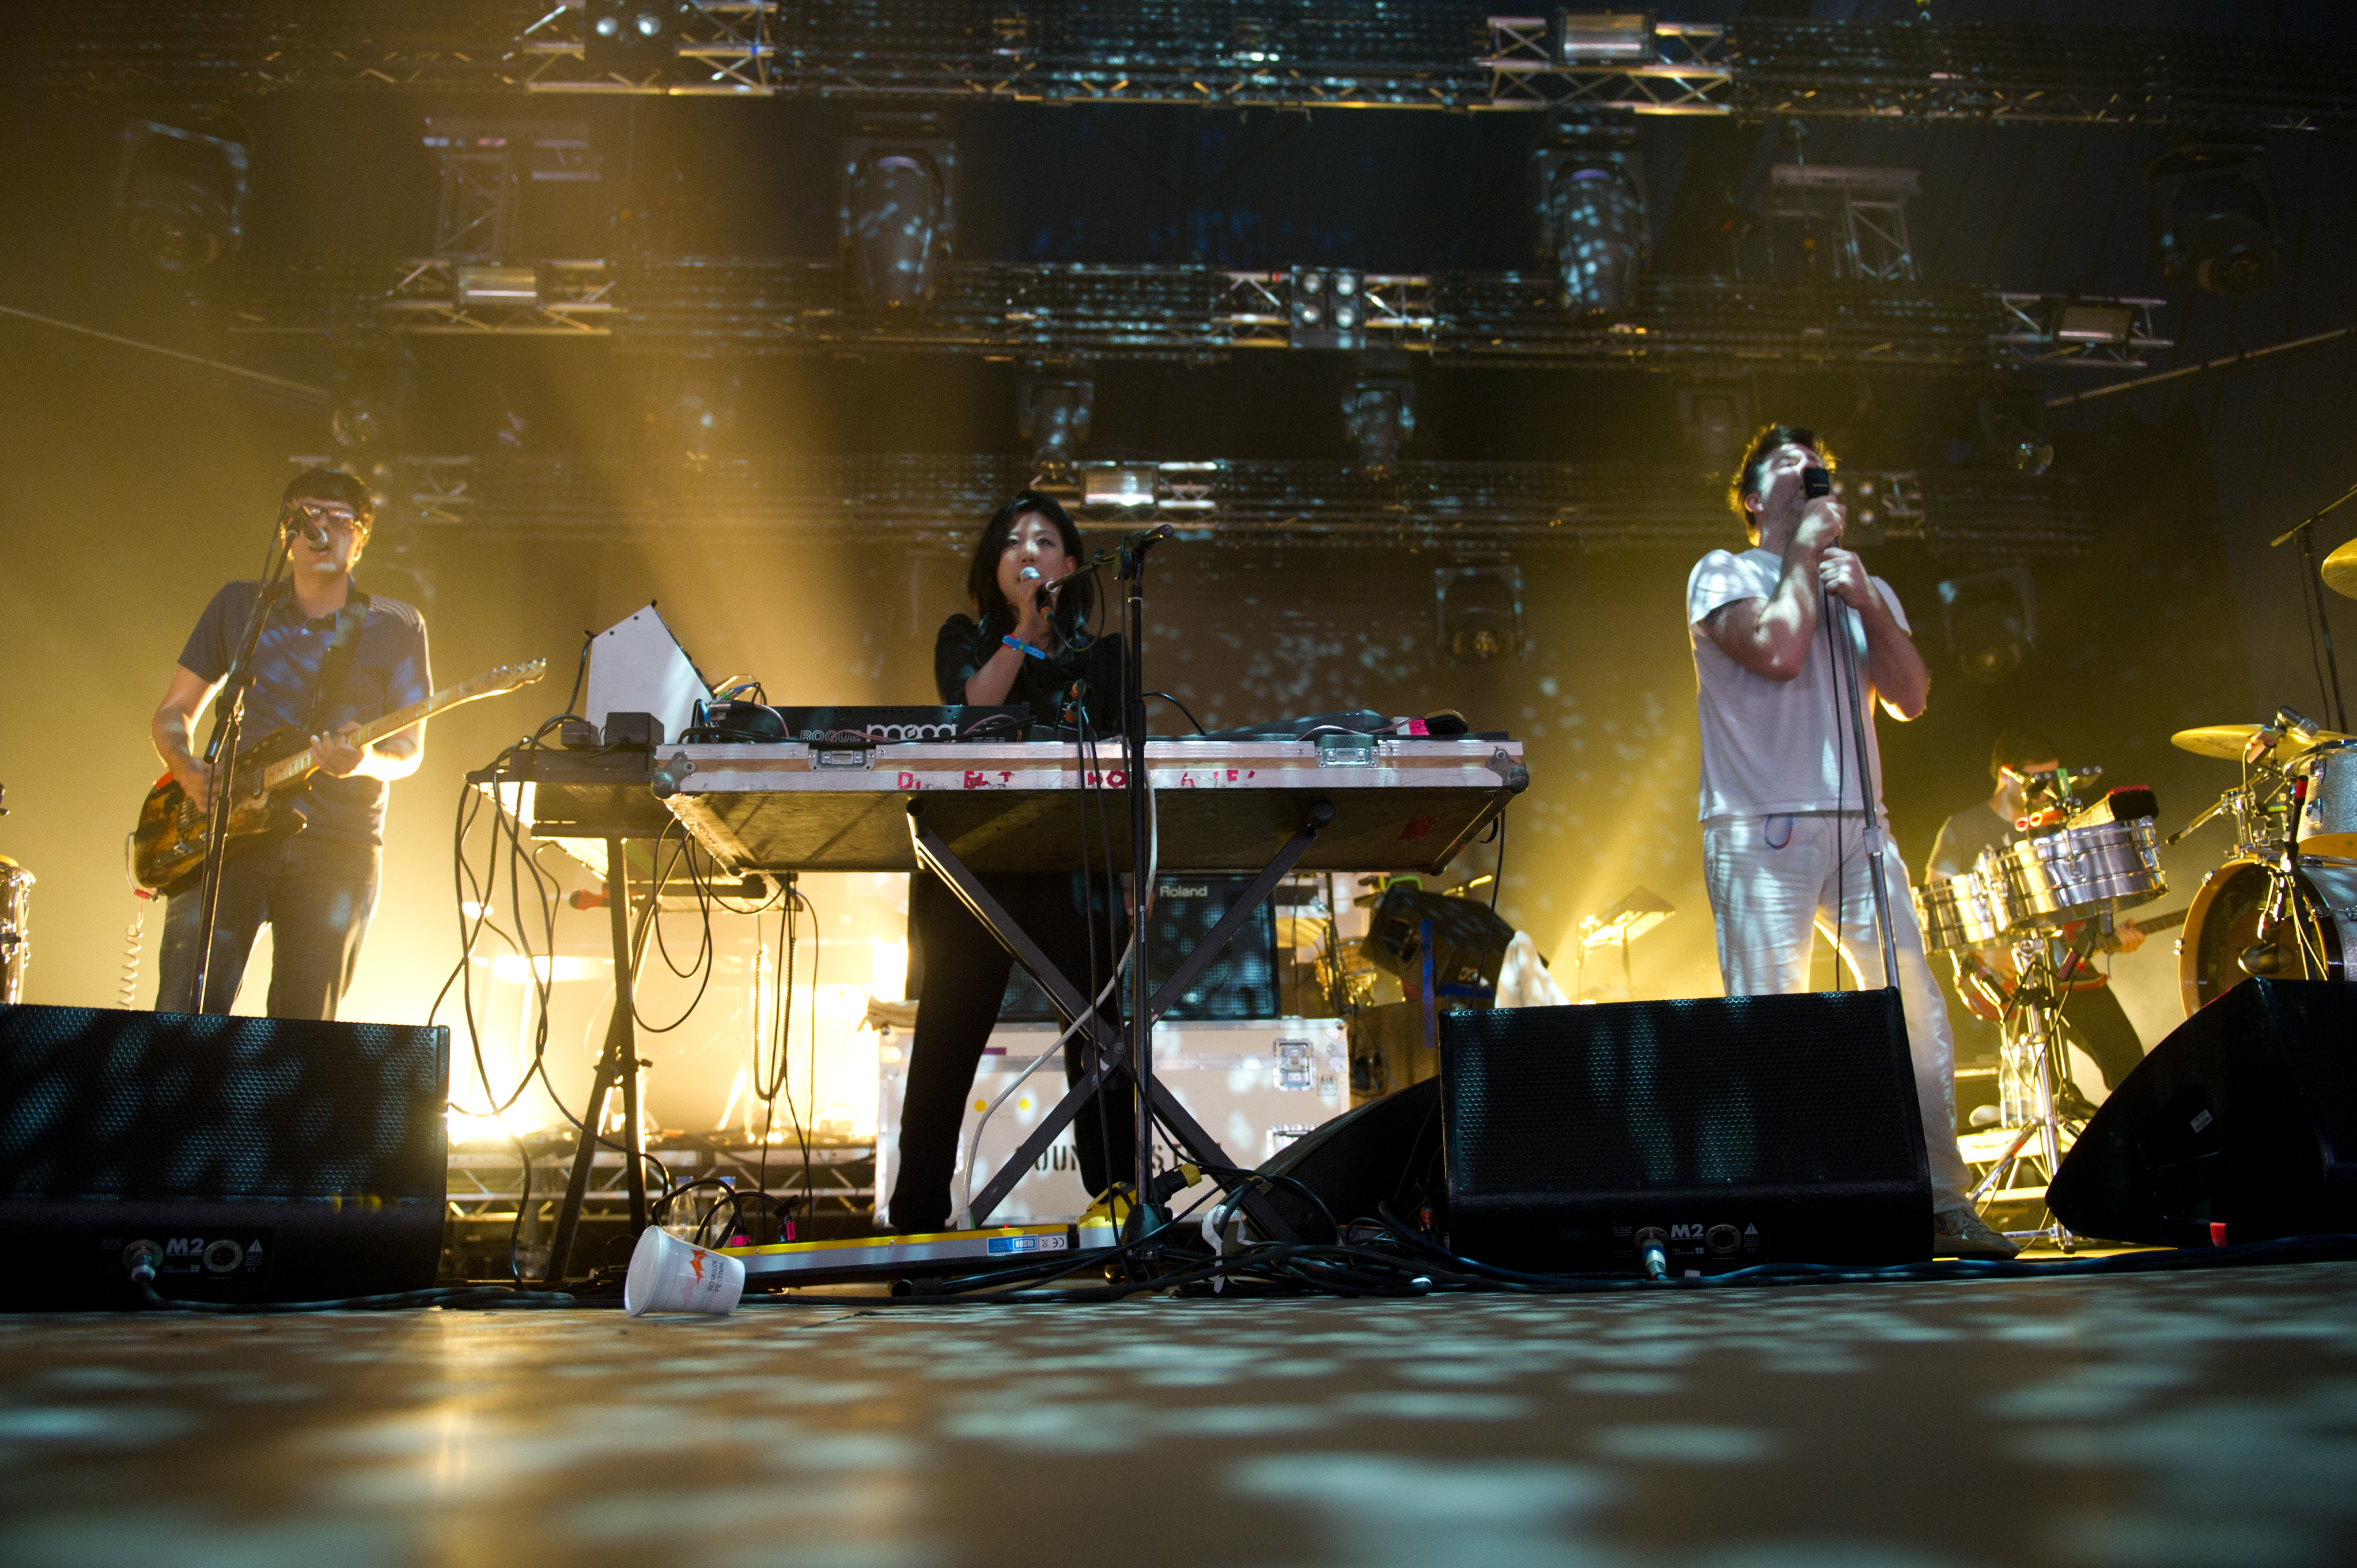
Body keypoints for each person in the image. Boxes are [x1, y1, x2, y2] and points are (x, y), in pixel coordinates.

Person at [1686, 423, 2015, 1260]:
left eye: (1817, 473)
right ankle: (1780, 1215)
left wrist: (1866, 598)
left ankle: (1944, 1204)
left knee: (1916, 1016)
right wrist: (1801, 559)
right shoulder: (1722, 573)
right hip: (1760, 831)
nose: (1810, 484)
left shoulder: (1854, 583)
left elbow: (1909, 697)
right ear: (1755, 499)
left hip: (1862, 831)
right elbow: (1777, 653)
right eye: (1789, 476)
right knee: (1773, 1020)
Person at [887, 491, 1134, 1234]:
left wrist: (1126, 878)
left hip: (1075, 869)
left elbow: (1124, 775)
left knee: (1101, 1035)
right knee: (947, 1037)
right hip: (975, 867)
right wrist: (1025, 633)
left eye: (1047, 541)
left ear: (1072, 562)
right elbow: (969, 710)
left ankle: (1121, 1197)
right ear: (992, 567)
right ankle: (917, 1217)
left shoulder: (1104, 660)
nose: (1029, 552)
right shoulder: (964, 637)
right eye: (1012, 543)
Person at [151, 468, 430, 1020]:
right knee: (182, 1018)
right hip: (229, 835)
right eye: (307, 516)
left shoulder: (395, 625)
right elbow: (173, 711)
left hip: (337, 846)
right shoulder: (240, 605)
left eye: (337, 519)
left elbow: (410, 750)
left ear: (360, 540)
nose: (320, 528)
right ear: (287, 533)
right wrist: (184, 767)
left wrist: (364, 760)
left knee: (302, 1038)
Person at [1926, 729, 2148, 1092]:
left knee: (2132, 1066)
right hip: (2003, 975)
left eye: (2055, 778)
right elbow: (1939, 907)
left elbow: (2080, 904)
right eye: (2040, 779)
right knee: (2036, 1087)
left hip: (2068, 964)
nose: (2050, 789)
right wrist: (1982, 950)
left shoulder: (2058, 825)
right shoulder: (1963, 828)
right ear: (2006, 774)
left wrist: (2108, 932)